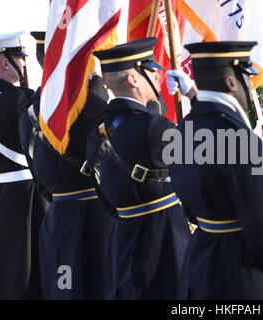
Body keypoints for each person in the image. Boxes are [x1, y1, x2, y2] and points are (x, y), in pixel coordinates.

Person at [167, 41, 263, 299]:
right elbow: (262, 231)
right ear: (230, 83)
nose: (251, 86)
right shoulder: (242, 140)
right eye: (248, 78)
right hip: (243, 273)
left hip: (201, 262)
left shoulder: (183, 130)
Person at [86, 37, 192, 299]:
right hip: (165, 243)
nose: (159, 74)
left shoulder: (96, 131)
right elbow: (216, 151)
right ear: (134, 79)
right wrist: (195, 96)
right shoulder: (153, 128)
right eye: (152, 68)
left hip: (122, 238)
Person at [18, 31, 115, 299]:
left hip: (59, 216)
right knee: (100, 286)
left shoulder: (29, 114)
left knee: (64, 288)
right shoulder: (94, 108)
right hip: (98, 217)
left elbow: (39, 178)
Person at [0, 31, 49, 299]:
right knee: (30, 273)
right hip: (28, 198)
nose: (24, 64)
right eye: (20, 58)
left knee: (6, 271)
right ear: (6, 62)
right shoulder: (17, 101)